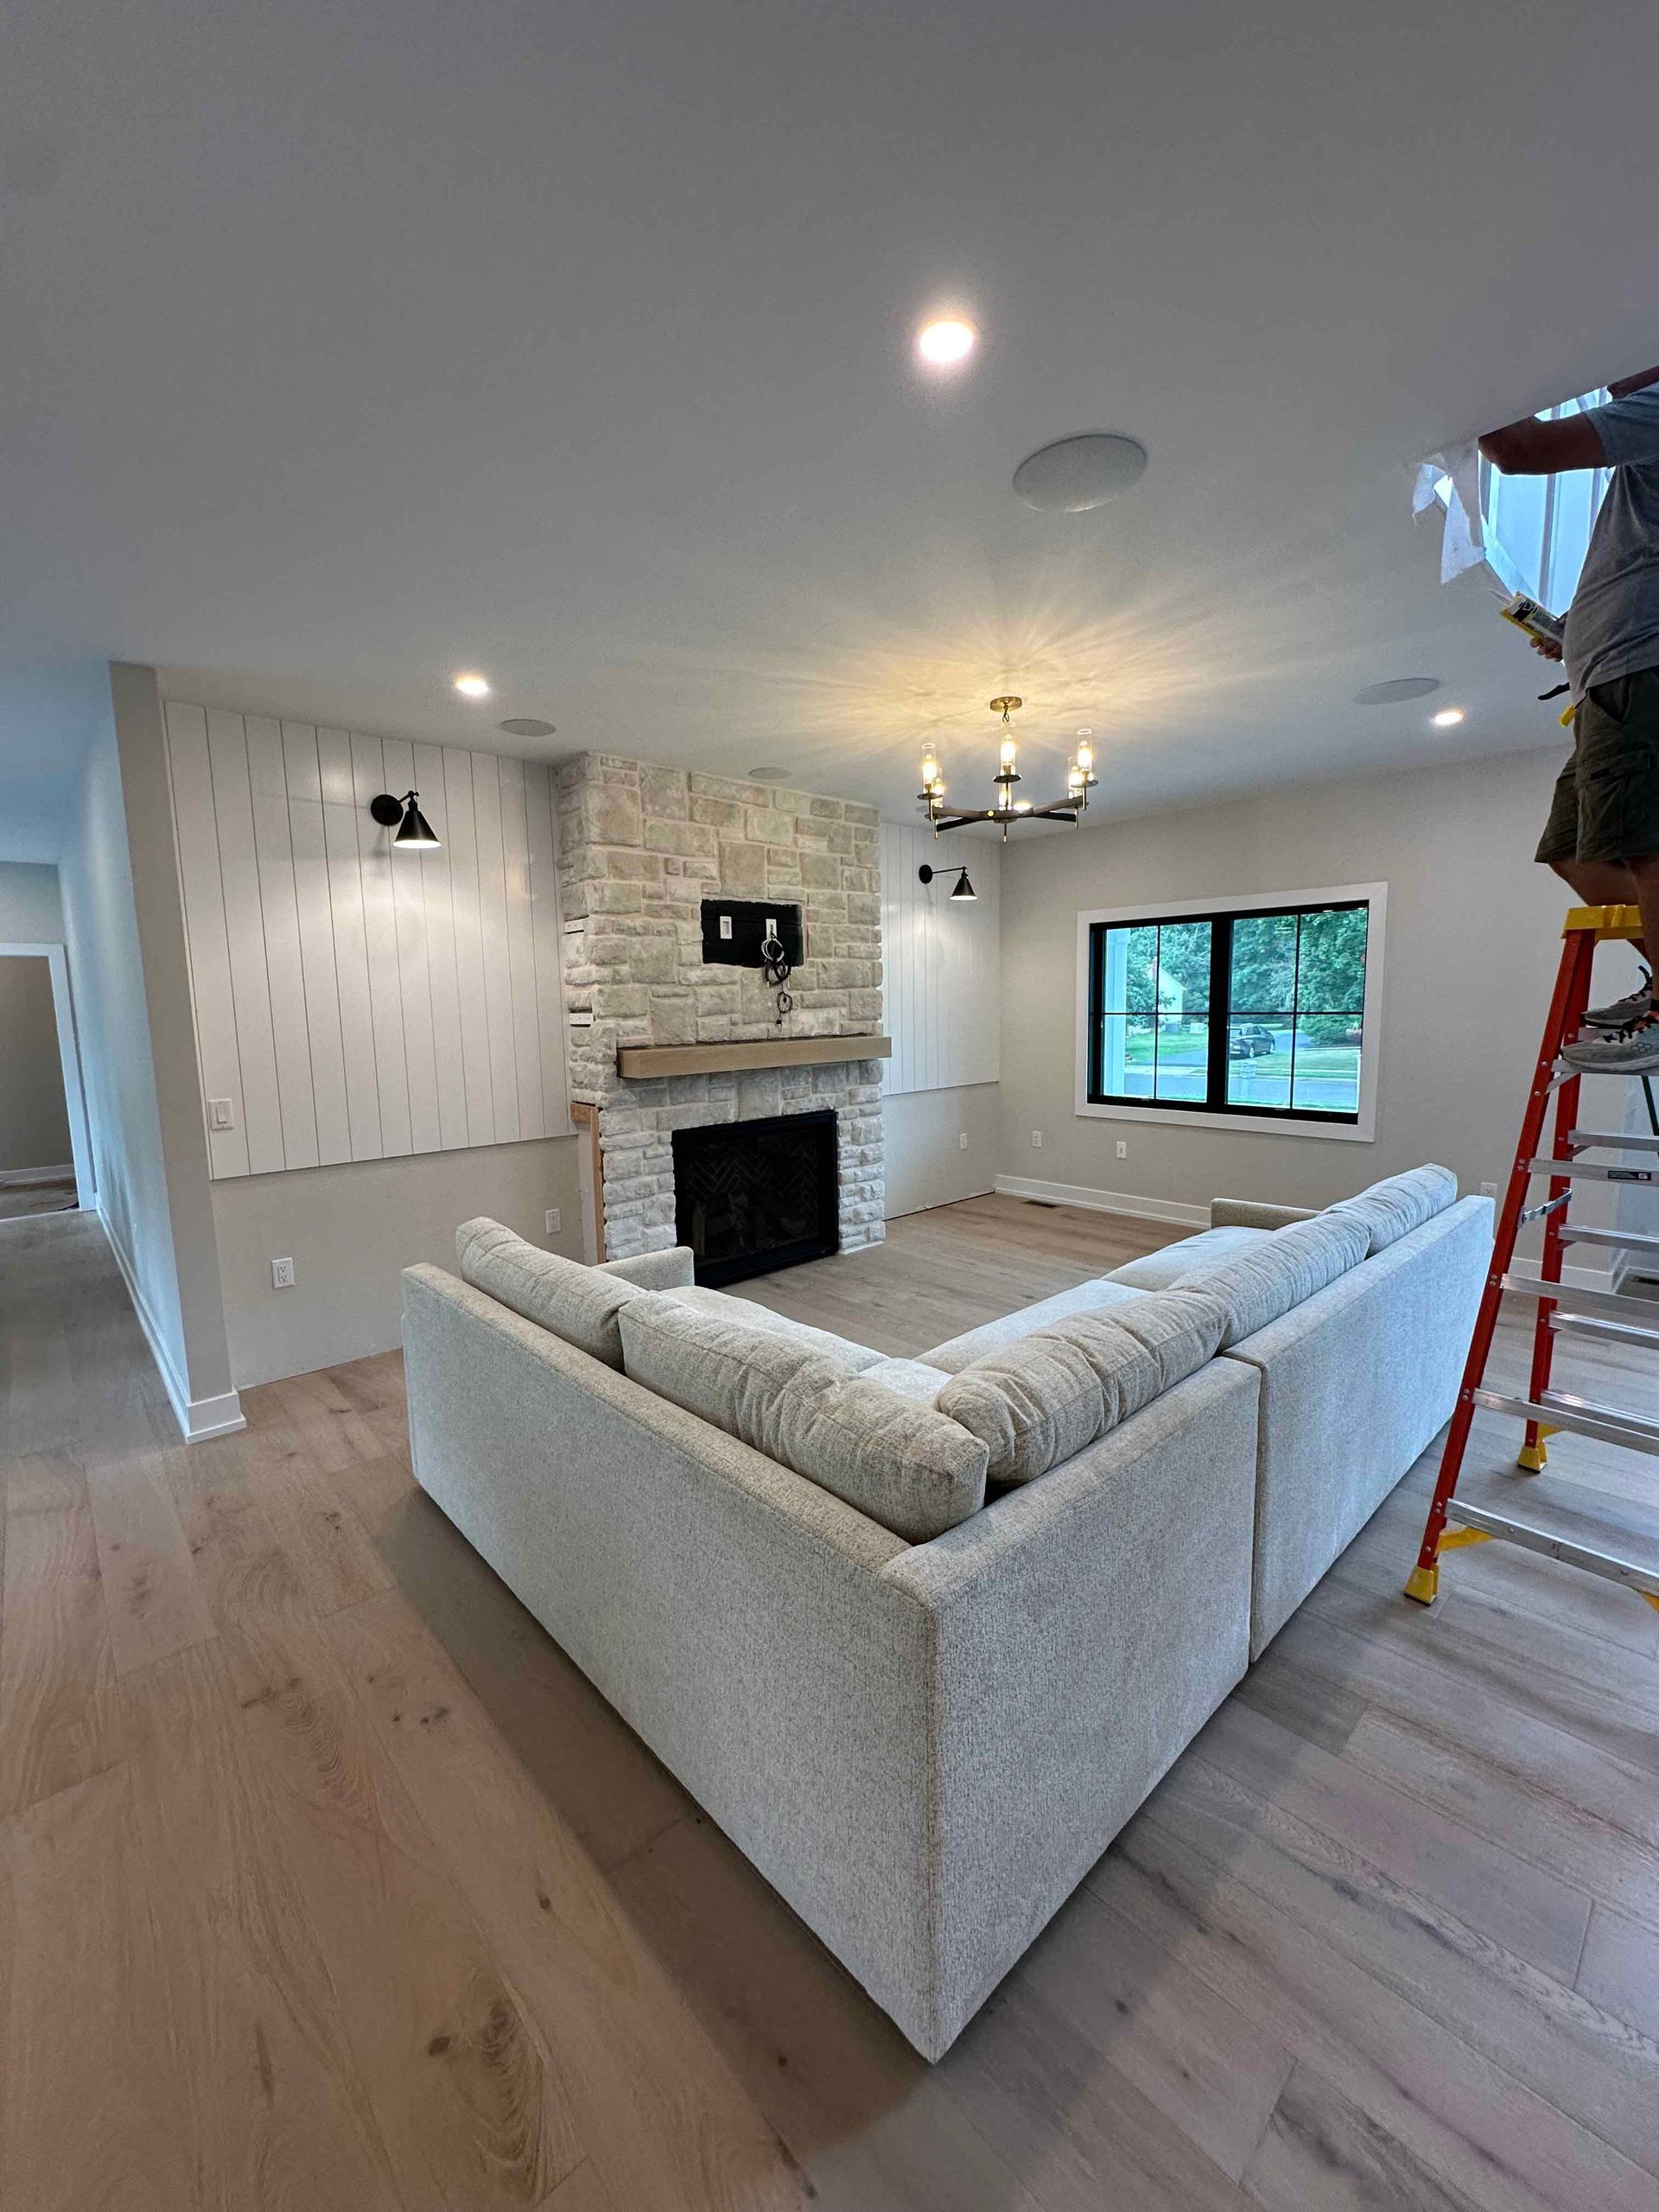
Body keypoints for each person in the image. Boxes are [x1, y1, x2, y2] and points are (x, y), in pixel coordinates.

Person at [1480, 365, 1659, 1070]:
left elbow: (1521, 448)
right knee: (1573, 850)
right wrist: (1575, 635)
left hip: (1638, 676)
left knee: (1648, 848)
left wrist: (1454, 379)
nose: (1609, 374)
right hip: (1606, 682)